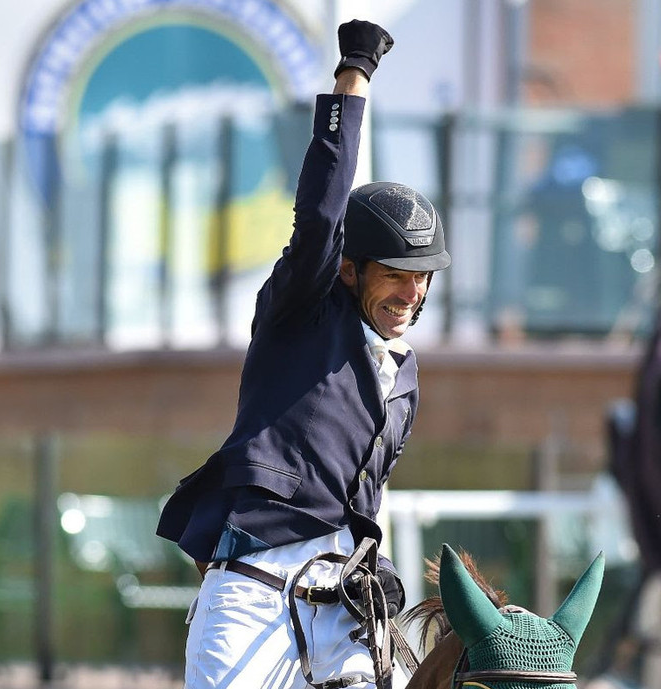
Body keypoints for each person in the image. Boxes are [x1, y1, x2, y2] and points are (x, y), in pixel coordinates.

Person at [157, 18, 450, 689]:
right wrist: (355, 74)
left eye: (423, 275)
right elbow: (320, 215)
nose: (413, 291)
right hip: (254, 592)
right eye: (396, 273)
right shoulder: (299, 315)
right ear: (349, 269)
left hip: (344, 604)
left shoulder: (405, 379)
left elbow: (366, 496)